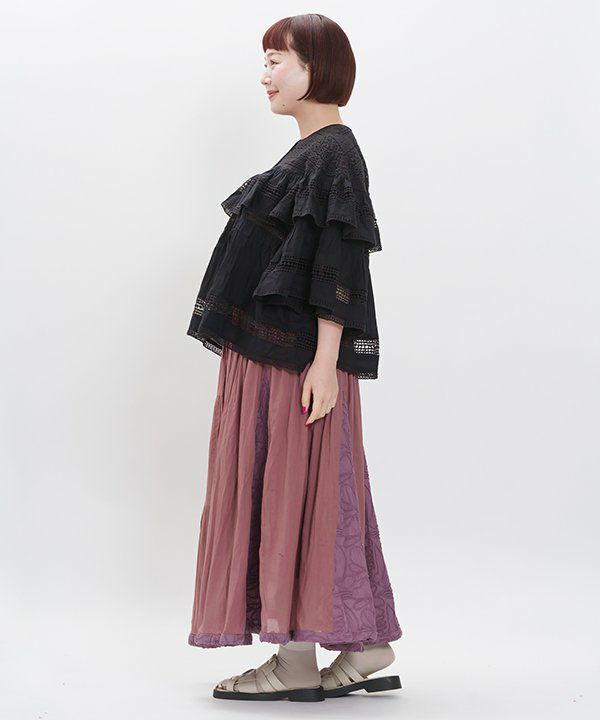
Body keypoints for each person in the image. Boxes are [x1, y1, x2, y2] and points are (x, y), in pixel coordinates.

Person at [186, 14, 403, 702]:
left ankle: (296, 662)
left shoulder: (333, 153)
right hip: (279, 356)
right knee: (310, 491)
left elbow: (341, 257)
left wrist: (326, 361)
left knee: (292, 493)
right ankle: (362, 646)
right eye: (266, 60)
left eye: (278, 59)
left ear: (317, 67)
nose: (266, 74)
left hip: (296, 364)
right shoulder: (312, 153)